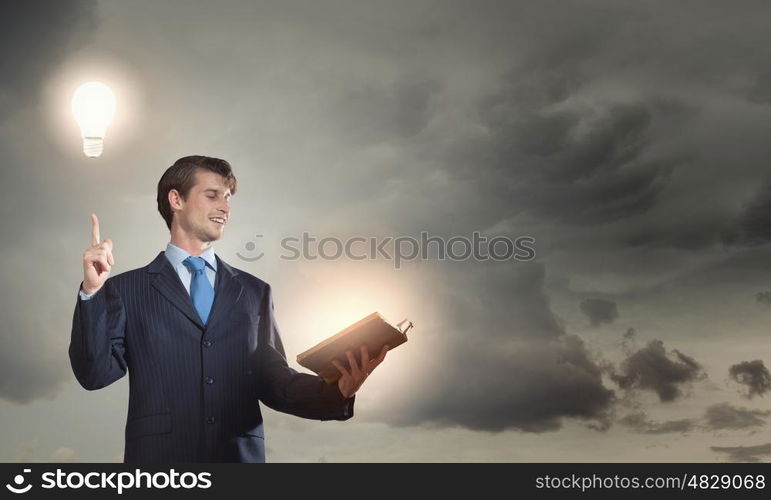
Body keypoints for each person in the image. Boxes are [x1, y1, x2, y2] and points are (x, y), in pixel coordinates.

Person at [69, 155, 388, 463]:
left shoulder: (254, 292)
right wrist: (92, 292)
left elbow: (274, 381)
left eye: (228, 198)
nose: (225, 207)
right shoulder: (125, 289)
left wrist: (336, 391)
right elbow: (95, 374)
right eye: (212, 196)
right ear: (176, 200)